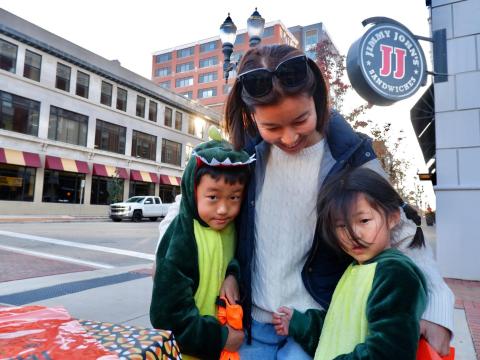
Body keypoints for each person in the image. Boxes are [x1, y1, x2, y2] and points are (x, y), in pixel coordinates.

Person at [222, 44, 454, 359]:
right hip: (253, 327)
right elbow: (192, 211)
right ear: (251, 115)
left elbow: (399, 231)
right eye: (272, 127)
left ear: (317, 99)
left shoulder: (353, 155)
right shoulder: (242, 156)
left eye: (300, 119)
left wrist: (438, 305)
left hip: (317, 326)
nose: (289, 138)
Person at [272, 167, 428, 359]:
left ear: (393, 218)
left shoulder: (394, 273)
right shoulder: (357, 267)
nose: (353, 234)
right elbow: (338, 330)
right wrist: (302, 324)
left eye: (363, 220)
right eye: (341, 225)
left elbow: (388, 352)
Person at [149, 132, 255, 359]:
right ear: (192, 191)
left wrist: (233, 274)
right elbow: (168, 317)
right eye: (213, 197)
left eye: (234, 198)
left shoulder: (229, 228)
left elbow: (233, 256)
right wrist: (220, 336)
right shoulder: (183, 237)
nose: (224, 209)